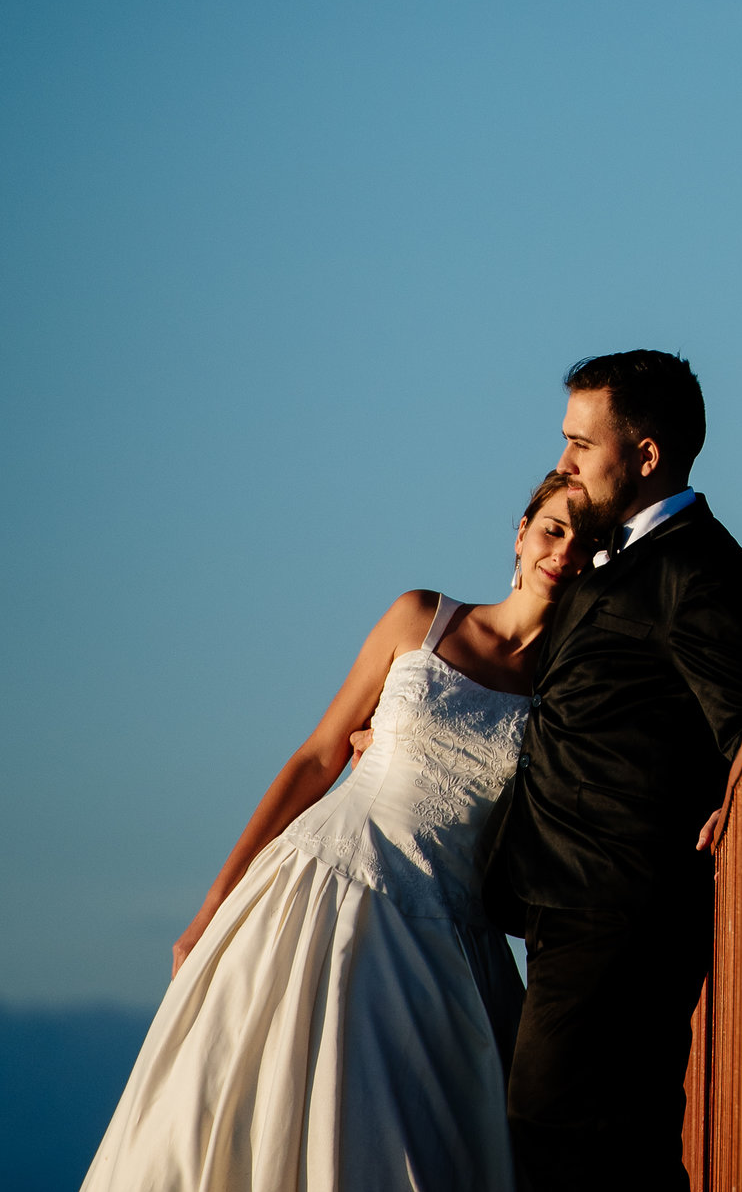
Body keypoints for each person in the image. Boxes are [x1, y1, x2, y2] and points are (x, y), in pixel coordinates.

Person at [81, 472, 593, 1192]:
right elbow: (320, 755)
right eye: (553, 528)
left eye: (585, 540)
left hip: (449, 935)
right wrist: (211, 908)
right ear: (520, 530)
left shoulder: (568, 694)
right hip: (328, 884)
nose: (564, 551)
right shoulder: (423, 617)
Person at [483, 350, 742, 1191]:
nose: (565, 462)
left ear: (646, 456)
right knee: (594, 1148)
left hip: (621, 912)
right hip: (561, 906)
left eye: (583, 442)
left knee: (566, 1139)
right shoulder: (601, 560)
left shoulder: (705, 570)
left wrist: (737, 797)